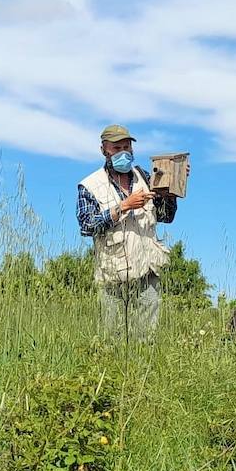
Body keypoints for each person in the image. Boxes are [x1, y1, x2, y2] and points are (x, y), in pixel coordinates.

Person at [76, 124, 182, 342]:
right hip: (113, 272)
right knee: (112, 336)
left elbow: (165, 216)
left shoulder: (144, 176)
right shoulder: (89, 186)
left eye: (127, 147)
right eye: (117, 148)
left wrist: (172, 186)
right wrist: (123, 206)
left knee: (147, 337)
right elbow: (87, 226)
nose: (124, 152)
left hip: (148, 267)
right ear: (104, 150)